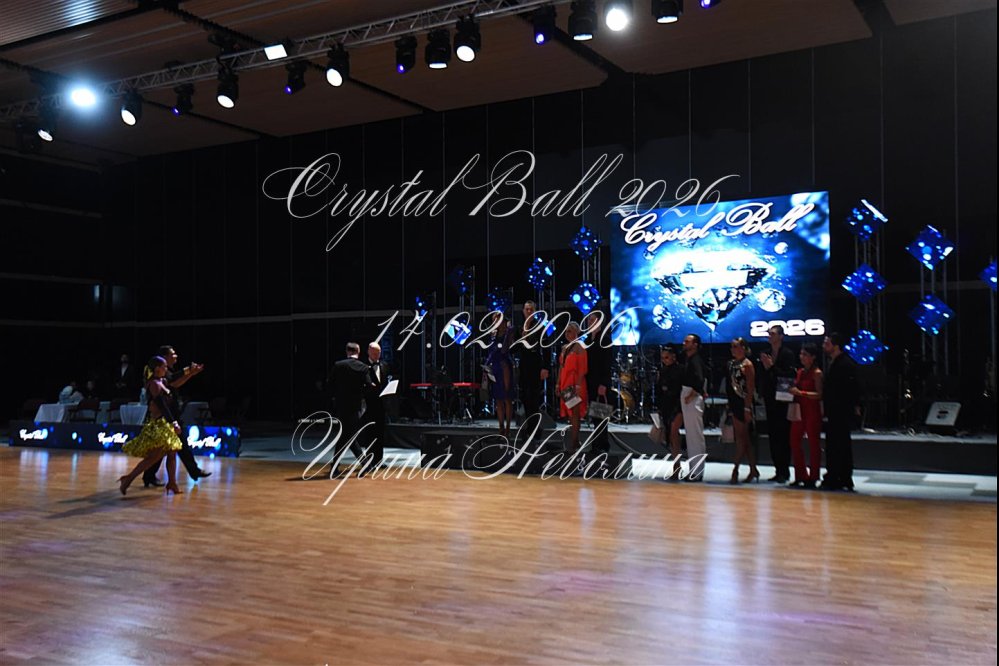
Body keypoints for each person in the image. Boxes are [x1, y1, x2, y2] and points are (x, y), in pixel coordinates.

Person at [142, 345, 209, 487]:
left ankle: (191, 472)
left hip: (170, 416)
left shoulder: (165, 373)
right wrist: (188, 370)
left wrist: (190, 373)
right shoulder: (158, 377)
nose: (176, 356)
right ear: (164, 358)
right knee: (163, 449)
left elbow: (175, 383)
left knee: (177, 446)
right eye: (173, 354)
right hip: (165, 417)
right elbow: (172, 381)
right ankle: (143, 477)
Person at [118, 356, 184, 496]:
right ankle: (128, 479)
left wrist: (189, 370)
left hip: (164, 423)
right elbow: (162, 405)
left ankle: (172, 483)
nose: (166, 369)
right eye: (164, 366)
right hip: (159, 425)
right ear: (157, 369)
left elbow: (174, 377)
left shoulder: (162, 381)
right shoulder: (154, 384)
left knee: (172, 452)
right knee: (153, 457)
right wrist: (173, 422)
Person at [757, 325, 798, 483]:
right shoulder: (765, 352)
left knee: (783, 434)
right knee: (773, 435)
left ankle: (784, 470)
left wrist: (772, 367)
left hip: (783, 398)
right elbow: (763, 375)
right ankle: (777, 469)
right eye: (769, 333)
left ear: (781, 336)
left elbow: (788, 376)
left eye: (773, 333)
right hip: (770, 397)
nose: (770, 336)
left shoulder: (787, 354)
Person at [821, 333, 860, 491]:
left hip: (840, 411)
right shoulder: (836, 362)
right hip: (835, 411)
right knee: (837, 444)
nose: (824, 346)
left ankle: (840, 477)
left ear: (836, 346)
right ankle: (840, 476)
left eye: (827, 343)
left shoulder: (844, 364)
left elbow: (850, 389)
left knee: (839, 444)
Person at [331, 342, 371, 472]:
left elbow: (330, 384)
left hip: (341, 406)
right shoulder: (363, 367)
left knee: (346, 435)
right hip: (356, 407)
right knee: (348, 436)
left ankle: (335, 466)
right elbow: (368, 386)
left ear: (347, 351)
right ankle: (364, 464)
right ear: (358, 352)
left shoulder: (338, 365)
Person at [789, 343, 824, 488]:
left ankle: (813, 476)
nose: (801, 357)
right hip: (800, 409)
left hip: (812, 409)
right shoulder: (800, 372)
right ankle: (800, 474)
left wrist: (801, 393)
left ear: (813, 357)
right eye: (801, 354)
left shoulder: (817, 373)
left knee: (813, 443)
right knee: (794, 441)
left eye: (805, 355)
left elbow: (819, 394)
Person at [727, 338, 759, 484]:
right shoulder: (731, 364)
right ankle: (753, 469)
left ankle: (736, 469)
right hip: (734, 403)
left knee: (742, 438)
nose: (733, 349)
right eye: (732, 347)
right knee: (744, 439)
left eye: (736, 346)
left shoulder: (748, 365)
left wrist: (747, 407)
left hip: (744, 404)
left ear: (744, 348)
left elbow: (750, 388)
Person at [515, 301, 550, 421]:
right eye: (527, 309)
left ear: (535, 312)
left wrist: (545, 367)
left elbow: (546, 348)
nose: (529, 311)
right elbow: (515, 348)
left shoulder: (540, 327)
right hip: (524, 364)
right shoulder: (520, 327)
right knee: (524, 396)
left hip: (535, 364)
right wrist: (521, 337)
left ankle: (534, 426)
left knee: (533, 397)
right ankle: (529, 424)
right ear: (523, 311)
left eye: (531, 309)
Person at [584, 310, 612, 454]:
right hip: (590, 381)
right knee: (594, 415)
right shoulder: (587, 340)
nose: (589, 322)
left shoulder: (605, 340)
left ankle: (603, 445)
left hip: (601, 382)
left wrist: (604, 383)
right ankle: (596, 444)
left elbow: (607, 363)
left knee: (601, 415)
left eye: (592, 320)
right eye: (589, 320)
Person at [680, 333, 707, 481]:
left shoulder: (695, 360)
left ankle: (697, 471)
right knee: (691, 436)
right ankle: (694, 469)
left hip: (691, 396)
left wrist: (692, 394)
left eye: (687, 341)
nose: (684, 343)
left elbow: (700, 379)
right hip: (689, 394)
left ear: (695, 345)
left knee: (694, 435)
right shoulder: (690, 359)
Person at [558, 322, 588, 453]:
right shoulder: (565, 348)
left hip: (575, 383)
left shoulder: (580, 346)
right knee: (570, 414)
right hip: (565, 382)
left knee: (575, 414)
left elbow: (583, 368)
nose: (567, 334)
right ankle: (575, 441)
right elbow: (561, 367)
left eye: (570, 331)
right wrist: (558, 383)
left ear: (577, 332)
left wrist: (578, 385)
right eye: (566, 331)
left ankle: (574, 442)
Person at [655, 346, 684, 480]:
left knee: (673, 432)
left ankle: (677, 465)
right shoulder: (663, 370)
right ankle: (676, 463)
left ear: (673, 356)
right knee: (671, 435)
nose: (664, 360)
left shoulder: (680, 369)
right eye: (662, 358)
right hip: (666, 405)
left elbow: (680, 388)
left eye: (666, 357)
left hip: (678, 404)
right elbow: (660, 390)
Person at [361, 342, 390, 470]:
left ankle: (379, 460)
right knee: (369, 434)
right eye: (374, 353)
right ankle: (369, 461)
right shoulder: (363, 367)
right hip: (369, 405)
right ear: (369, 352)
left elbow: (385, 382)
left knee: (380, 434)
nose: (377, 355)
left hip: (381, 405)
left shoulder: (384, 365)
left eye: (378, 353)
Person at [487, 314, 516, 437]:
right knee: (498, 399)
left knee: (507, 397)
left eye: (498, 320)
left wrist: (508, 331)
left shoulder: (509, 332)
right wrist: (487, 365)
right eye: (494, 320)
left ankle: (508, 427)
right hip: (495, 367)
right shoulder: (493, 334)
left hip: (504, 366)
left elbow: (505, 350)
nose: (496, 322)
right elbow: (490, 351)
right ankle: (501, 427)